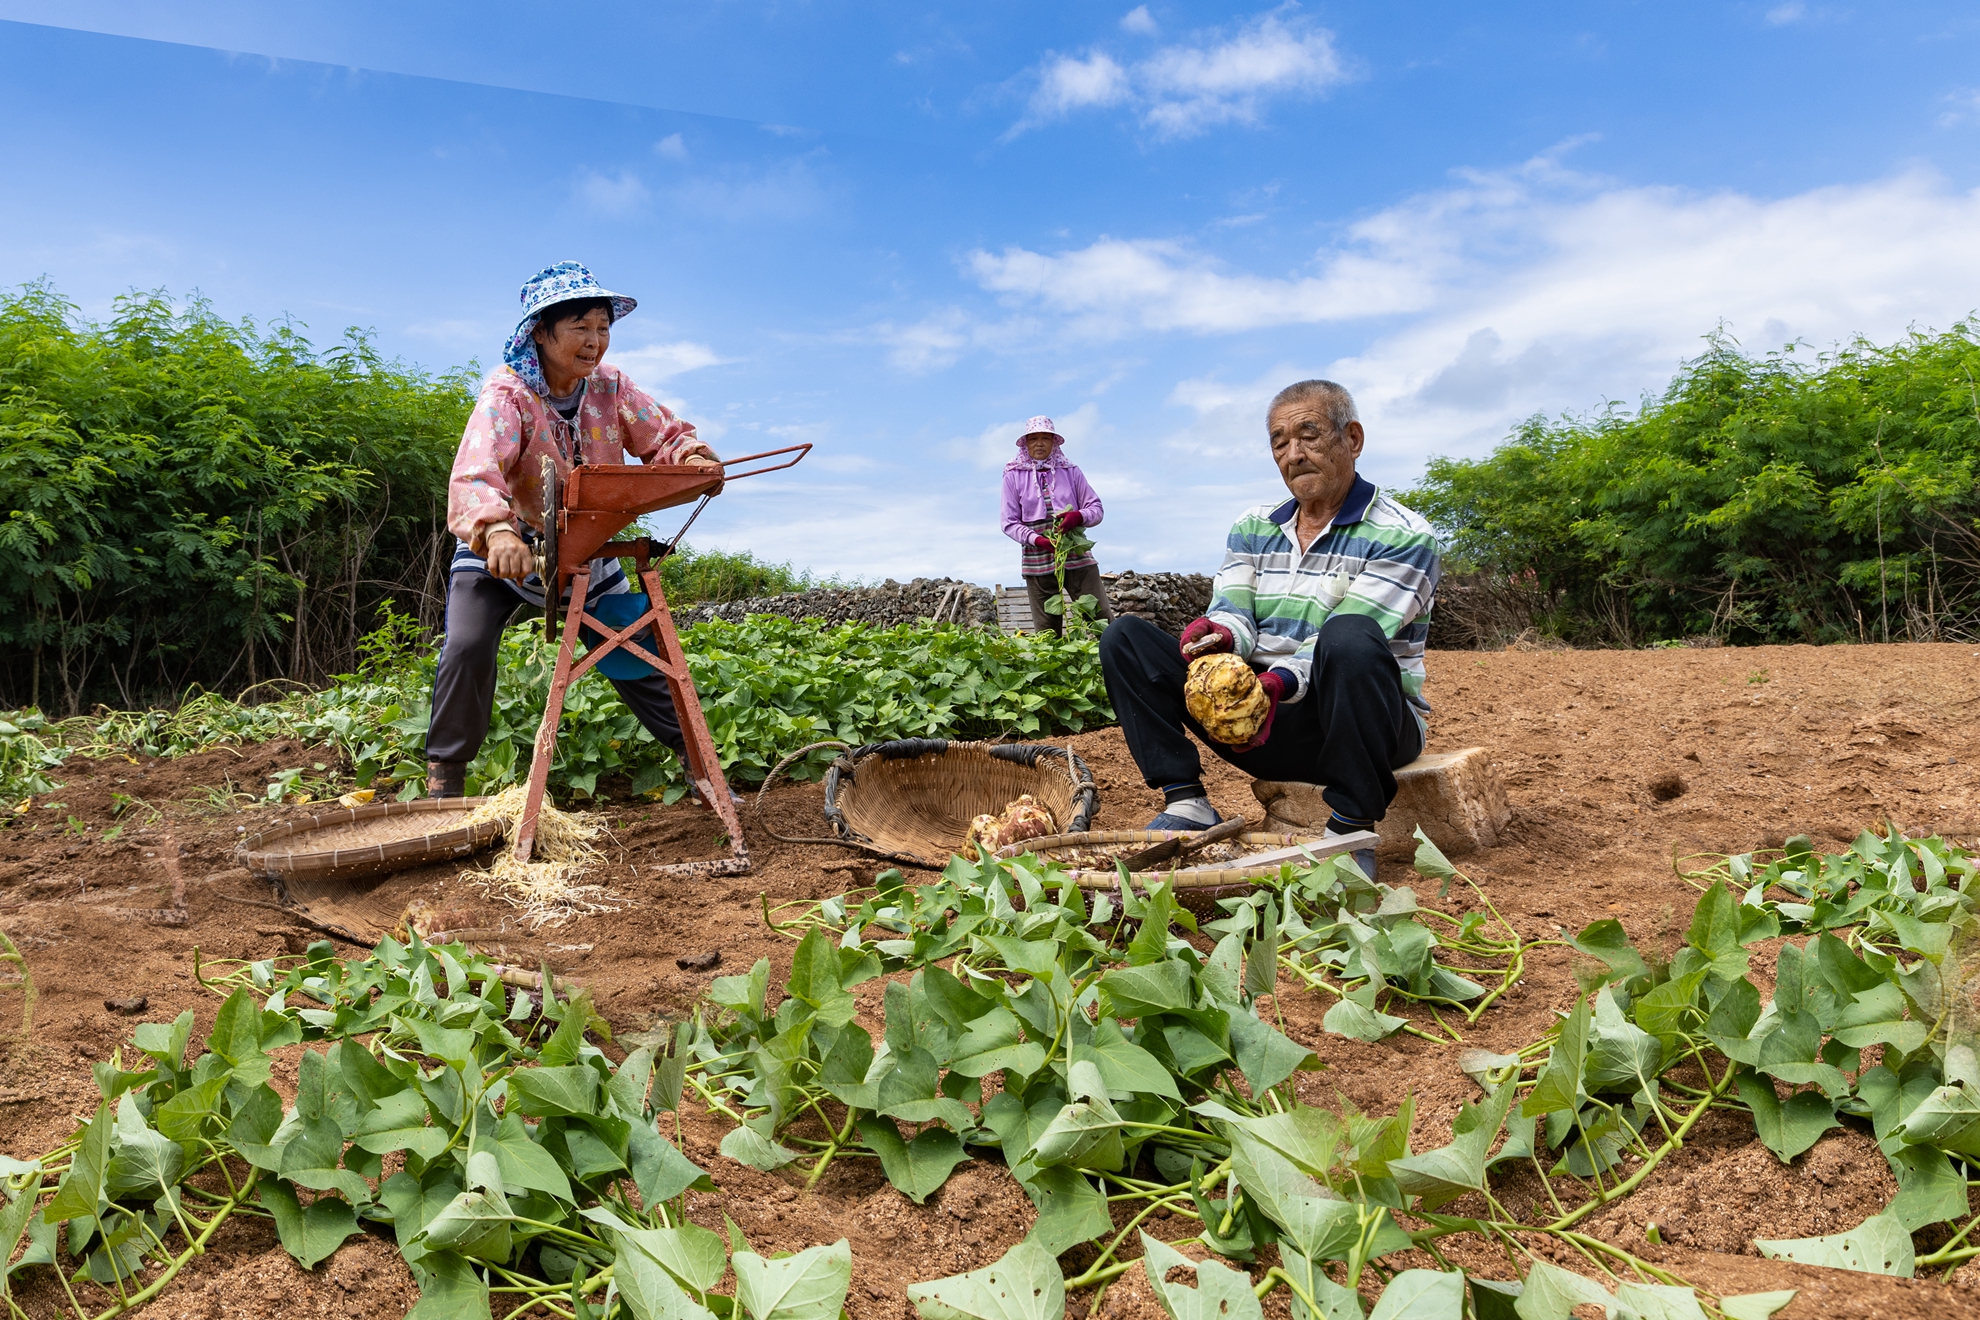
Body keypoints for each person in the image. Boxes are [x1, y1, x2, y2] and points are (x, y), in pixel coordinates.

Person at [1098, 379, 1440, 879]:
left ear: (1354, 439)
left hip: (1364, 725)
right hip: (1261, 728)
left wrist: (1273, 685)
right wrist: (1218, 634)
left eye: (1309, 434)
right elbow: (1235, 609)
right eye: (1280, 442)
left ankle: (1350, 828)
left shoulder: (1405, 534)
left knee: (1349, 636)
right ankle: (1187, 801)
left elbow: (1349, 636)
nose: (1294, 454)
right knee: (1125, 637)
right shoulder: (1255, 526)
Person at [425, 261, 725, 799]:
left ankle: (698, 764)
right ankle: (445, 781)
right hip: (506, 545)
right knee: (467, 646)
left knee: (632, 647)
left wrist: (694, 459)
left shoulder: (611, 387)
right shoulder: (508, 393)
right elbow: (475, 473)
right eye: (580, 328)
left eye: (603, 328)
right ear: (540, 331)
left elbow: (664, 439)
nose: (595, 342)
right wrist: (496, 535)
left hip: (584, 546)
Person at [1000, 416, 1115, 634]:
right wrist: (1038, 539)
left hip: (1075, 551)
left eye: (1045, 438)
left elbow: (1096, 508)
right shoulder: (1013, 475)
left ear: (1055, 442)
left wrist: (1078, 517)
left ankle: (1113, 663)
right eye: (1033, 439)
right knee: (1047, 629)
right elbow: (1009, 522)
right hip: (1038, 557)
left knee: (1099, 618)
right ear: (1026, 443)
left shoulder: (1070, 471)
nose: (1039, 443)